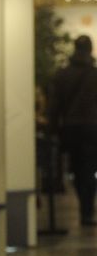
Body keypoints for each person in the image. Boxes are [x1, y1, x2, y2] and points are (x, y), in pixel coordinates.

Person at [49, 33, 97, 225]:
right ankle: (87, 209)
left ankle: (84, 206)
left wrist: (53, 129)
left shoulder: (62, 75)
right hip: (93, 128)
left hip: (71, 129)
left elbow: (55, 106)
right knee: (90, 169)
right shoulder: (94, 74)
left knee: (77, 169)